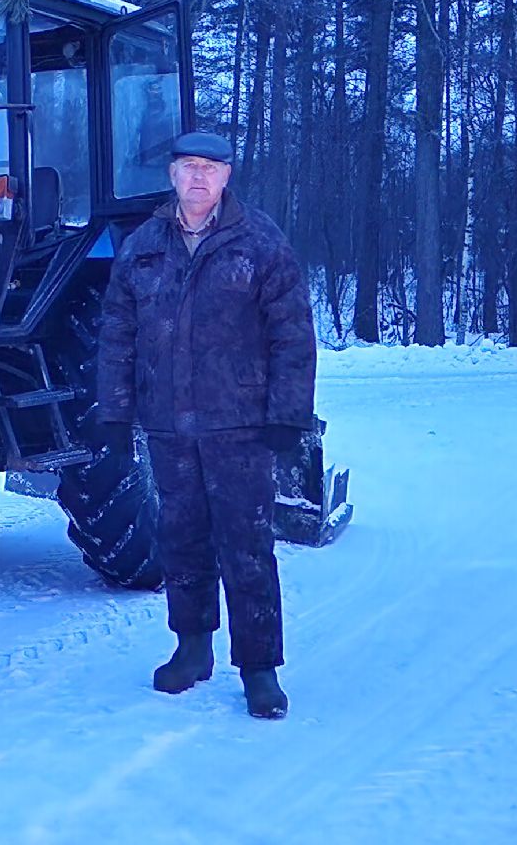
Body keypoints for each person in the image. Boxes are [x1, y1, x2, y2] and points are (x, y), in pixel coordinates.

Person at [93, 129, 317, 719]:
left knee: (247, 545)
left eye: (210, 169)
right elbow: (117, 335)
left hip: (238, 425)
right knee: (181, 540)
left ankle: (260, 669)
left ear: (227, 176)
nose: (199, 178)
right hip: (168, 425)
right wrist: (115, 413)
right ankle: (191, 649)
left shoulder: (260, 244)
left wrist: (288, 417)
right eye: (189, 167)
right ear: (171, 174)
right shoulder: (142, 246)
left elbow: (293, 336)